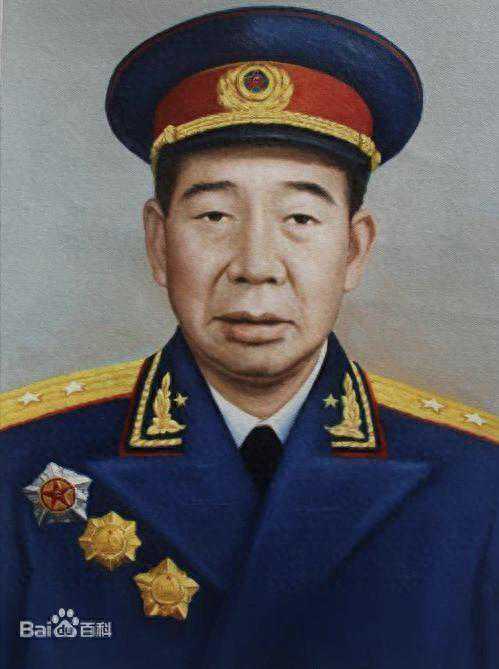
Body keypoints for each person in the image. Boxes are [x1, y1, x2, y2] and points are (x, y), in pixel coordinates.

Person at [0, 6, 498, 669]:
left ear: (354, 249)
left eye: (299, 217)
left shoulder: (477, 483)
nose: (256, 265)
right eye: (214, 215)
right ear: (158, 242)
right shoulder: (24, 464)